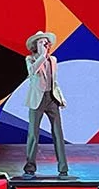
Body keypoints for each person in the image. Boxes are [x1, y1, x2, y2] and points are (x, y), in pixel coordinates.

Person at [22, 31, 68, 180]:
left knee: (58, 134)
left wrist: (60, 97)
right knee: (33, 134)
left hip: (51, 98)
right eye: (42, 42)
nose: (46, 45)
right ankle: (30, 168)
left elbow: (54, 81)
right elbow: (32, 72)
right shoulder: (30, 59)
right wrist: (41, 56)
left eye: (47, 43)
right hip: (37, 99)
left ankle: (63, 168)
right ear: (36, 45)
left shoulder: (53, 60)